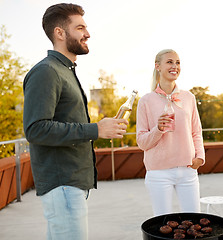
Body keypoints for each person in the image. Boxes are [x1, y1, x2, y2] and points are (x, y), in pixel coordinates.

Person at [23, 3, 127, 240]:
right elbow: (36, 129)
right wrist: (96, 129)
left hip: (70, 185)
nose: (87, 34)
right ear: (60, 33)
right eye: (80, 28)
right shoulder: (47, 71)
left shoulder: (66, 70)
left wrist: (99, 128)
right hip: (62, 185)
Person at [136, 49, 205, 216]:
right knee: (162, 225)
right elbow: (141, 142)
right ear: (157, 66)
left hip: (188, 169)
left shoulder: (189, 97)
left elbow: (196, 131)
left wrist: (200, 157)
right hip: (159, 173)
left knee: (193, 222)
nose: (175, 66)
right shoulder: (145, 101)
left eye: (178, 62)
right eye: (170, 62)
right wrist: (158, 129)